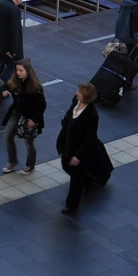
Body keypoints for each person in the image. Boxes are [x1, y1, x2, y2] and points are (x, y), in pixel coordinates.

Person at [57, 82, 111, 213]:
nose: (77, 93)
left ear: (86, 96)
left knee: (75, 179)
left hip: (79, 149)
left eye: (80, 92)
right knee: (65, 165)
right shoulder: (75, 101)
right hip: (67, 144)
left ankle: (71, 205)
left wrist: (78, 156)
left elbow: (90, 138)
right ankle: (87, 179)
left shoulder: (92, 115)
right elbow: (69, 115)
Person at [0, 57, 47, 174]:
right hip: (17, 112)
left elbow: (42, 105)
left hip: (29, 116)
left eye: (21, 70)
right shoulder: (15, 81)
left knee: (28, 142)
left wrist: (34, 119)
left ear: (27, 71)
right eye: (17, 70)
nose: (18, 73)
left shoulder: (35, 87)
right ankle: (13, 161)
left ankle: (30, 165)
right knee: (7, 136)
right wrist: (4, 91)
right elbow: (5, 86)